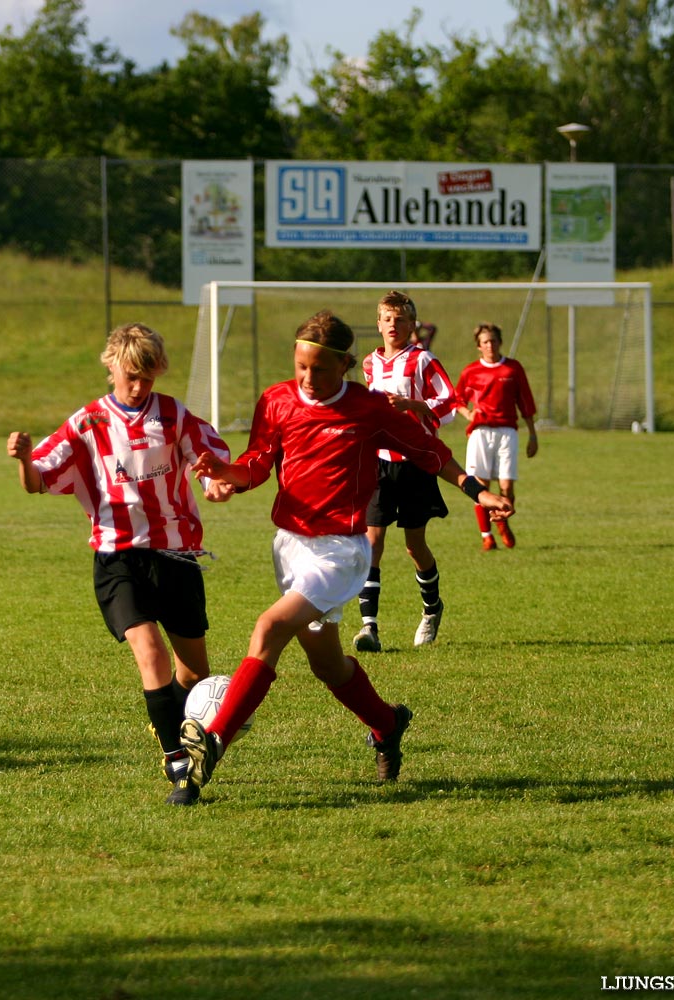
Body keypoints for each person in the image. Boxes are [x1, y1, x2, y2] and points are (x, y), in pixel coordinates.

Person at [173, 311, 512, 805]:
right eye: (301, 367)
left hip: (341, 552)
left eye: (321, 369)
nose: (308, 378)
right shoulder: (276, 399)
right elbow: (258, 463)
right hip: (290, 545)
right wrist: (227, 473)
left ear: (347, 365)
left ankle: (211, 744)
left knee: (269, 629)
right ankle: (387, 722)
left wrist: (475, 490)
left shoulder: (368, 409)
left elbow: (428, 450)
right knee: (328, 666)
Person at [7, 323, 231, 804]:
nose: (139, 386)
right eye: (132, 375)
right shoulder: (87, 423)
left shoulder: (173, 414)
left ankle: (171, 721)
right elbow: (37, 480)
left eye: (148, 378)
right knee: (149, 652)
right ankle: (180, 766)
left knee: (194, 673)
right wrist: (25, 460)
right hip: (118, 558)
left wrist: (215, 480)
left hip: (176, 556)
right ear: (110, 365)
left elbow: (209, 457)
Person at [353, 291, 458, 654]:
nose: (393, 325)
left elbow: (450, 403)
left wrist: (413, 405)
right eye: (387, 319)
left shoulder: (423, 360)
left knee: (415, 547)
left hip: (415, 462)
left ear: (412, 325)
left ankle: (432, 610)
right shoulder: (369, 363)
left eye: (400, 320)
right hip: (378, 462)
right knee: (372, 543)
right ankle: (370, 627)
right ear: (379, 323)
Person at [454, 322, 539, 551]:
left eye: (493, 340)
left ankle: (502, 522)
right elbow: (456, 399)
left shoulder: (512, 369)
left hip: (507, 432)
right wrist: (468, 413)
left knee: (506, 487)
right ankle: (486, 536)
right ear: (479, 347)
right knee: (480, 486)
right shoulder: (471, 371)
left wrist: (532, 435)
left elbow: (526, 402)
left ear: (500, 342)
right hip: (480, 432)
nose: (490, 345)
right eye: (485, 342)